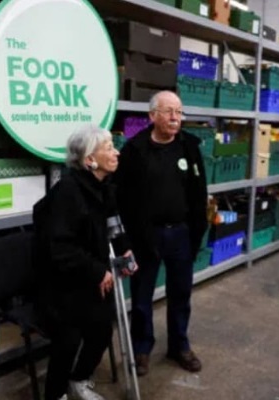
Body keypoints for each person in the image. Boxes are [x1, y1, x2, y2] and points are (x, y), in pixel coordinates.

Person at [33, 125, 135, 400]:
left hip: (90, 277)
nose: (116, 153)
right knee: (68, 340)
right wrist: (97, 271)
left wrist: (124, 250)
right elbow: (61, 247)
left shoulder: (103, 187)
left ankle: (78, 380)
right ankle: (55, 394)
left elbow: (113, 224)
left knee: (102, 330)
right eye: (109, 148)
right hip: (63, 282)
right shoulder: (68, 192)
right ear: (90, 159)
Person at [114, 90, 208, 376]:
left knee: (181, 293)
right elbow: (122, 198)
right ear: (152, 115)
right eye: (169, 112)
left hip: (180, 233)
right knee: (142, 296)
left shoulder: (189, 146)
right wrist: (129, 238)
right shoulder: (134, 150)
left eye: (179, 112)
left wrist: (196, 231)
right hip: (146, 235)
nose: (175, 117)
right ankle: (141, 349)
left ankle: (179, 345)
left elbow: (199, 191)